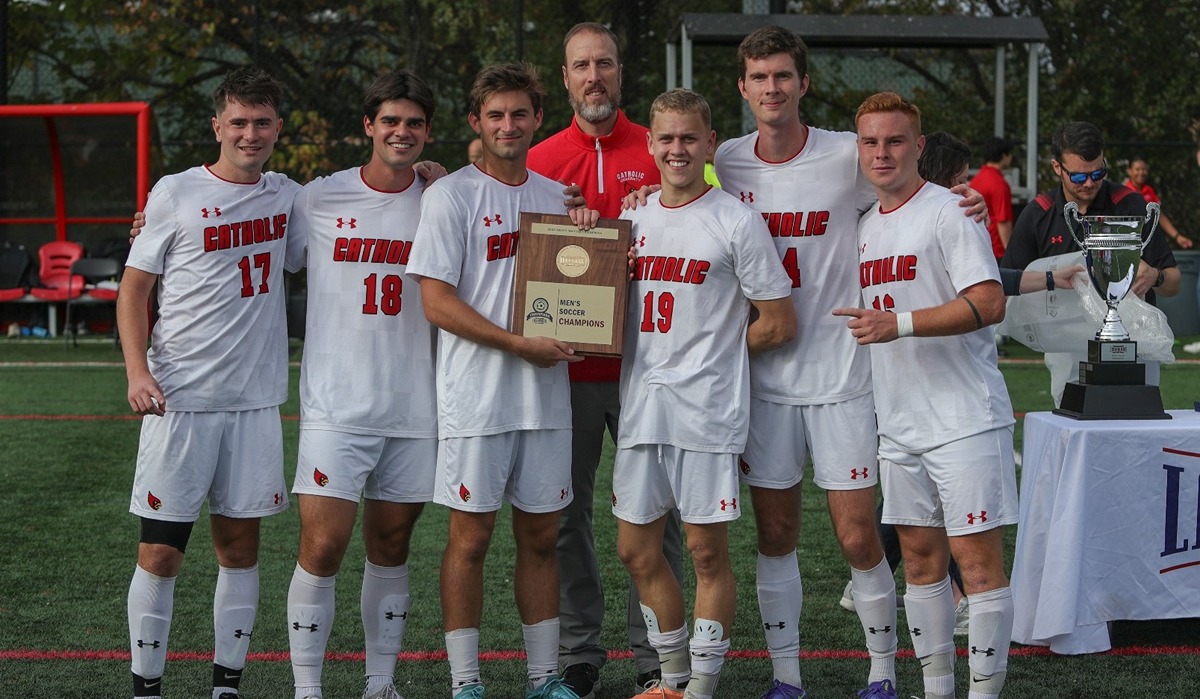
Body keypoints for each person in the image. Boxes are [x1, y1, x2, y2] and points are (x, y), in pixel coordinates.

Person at [710, 27, 981, 699]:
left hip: (843, 376)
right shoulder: (726, 159)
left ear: (803, 84)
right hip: (764, 380)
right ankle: (787, 678)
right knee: (774, 534)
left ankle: (883, 673)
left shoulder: (844, 154)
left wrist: (960, 200)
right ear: (743, 88)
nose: (771, 88)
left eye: (783, 76)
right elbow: (690, 204)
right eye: (758, 77)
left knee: (860, 536)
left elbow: (907, 189)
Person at [406, 62, 596, 699]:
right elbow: (437, 301)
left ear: (538, 118)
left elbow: (581, 285)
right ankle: (467, 682)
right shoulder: (451, 196)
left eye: (519, 114)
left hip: (545, 399)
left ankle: (543, 679)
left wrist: (595, 243)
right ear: (475, 123)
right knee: (471, 536)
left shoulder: (556, 196)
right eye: (496, 115)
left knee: (542, 535)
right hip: (477, 398)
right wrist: (520, 345)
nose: (508, 125)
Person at [119, 67, 304, 699]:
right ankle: (147, 685)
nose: (250, 134)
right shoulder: (174, 193)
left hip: (253, 405)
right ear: (217, 126)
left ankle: (227, 684)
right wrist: (137, 370)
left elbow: (367, 197)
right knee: (162, 554)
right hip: (180, 401)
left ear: (278, 128)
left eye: (262, 123)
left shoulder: (290, 196)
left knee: (239, 549)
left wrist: (430, 174)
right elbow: (134, 290)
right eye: (239, 123)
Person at [834, 91, 1019, 699]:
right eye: (870, 142)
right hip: (901, 422)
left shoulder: (949, 211)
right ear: (858, 148)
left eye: (894, 141)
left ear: (918, 145)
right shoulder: (865, 223)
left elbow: (989, 303)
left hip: (964, 417)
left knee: (979, 566)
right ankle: (937, 690)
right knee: (918, 563)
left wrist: (901, 324)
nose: (881, 153)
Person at [618, 87, 796, 699]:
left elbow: (777, 320)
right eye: (665, 138)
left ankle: (703, 686)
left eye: (689, 138)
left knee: (704, 551)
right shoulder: (632, 220)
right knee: (635, 548)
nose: (677, 149)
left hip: (706, 410)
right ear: (649, 144)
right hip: (642, 405)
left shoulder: (736, 219)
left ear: (710, 143)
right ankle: (670, 678)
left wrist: (716, 354)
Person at [526, 22, 678, 698]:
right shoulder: (536, 157)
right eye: (582, 65)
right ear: (565, 77)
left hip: (649, 363)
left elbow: (713, 200)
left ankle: (656, 651)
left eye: (606, 64)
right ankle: (581, 651)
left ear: (621, 72)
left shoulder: (665, 147)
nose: (595, 76)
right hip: (568, 367)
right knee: (565, 516)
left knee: (657, 513)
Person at [283, 70, 438, 699]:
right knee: (322, 545)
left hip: (414, 403)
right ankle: (307, 688)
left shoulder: (441, 198)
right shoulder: (317, 199)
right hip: (335, 406)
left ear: (428, 132)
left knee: (392, 545)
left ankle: (380, 684)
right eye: (391, 121)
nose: (402, 132)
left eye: (415, 123)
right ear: (368, 126)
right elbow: (258, 245)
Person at [1000, 121, 1180, 406]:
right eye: (1079, 177)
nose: (1089, 183)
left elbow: (1174, 281)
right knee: (1077, 432)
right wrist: (1049, 279)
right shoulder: (1038, 214)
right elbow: (1007, 282)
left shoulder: (1131, 205)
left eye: (1098, 173)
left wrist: (1155, 276)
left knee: (1138, 427)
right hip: (1067, 347)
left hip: (1133, 342)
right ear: (1057, 167)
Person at [1124, 158, 1193, 248]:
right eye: (1137, 169)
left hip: (1149, 242)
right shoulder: (1124, 191)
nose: (1141, 172)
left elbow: (1159, 215)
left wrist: (1177, 237)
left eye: (1144, 169)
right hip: (1129, 243)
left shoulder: (1149, 191)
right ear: (1129, 171)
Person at [969, 137, 1016, 261]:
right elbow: (1003, 221)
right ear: (1004, 156)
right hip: (997, 250)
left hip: (980, 245)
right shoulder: (999, 184)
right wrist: (1011, 254)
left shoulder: (976, 180)